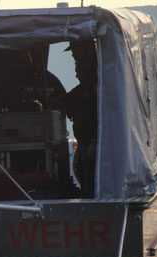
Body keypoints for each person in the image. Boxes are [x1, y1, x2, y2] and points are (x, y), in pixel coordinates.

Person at [54, 40, 98, 198]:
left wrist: (94, 139)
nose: (74, 55)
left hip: (92, 141)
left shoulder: (95, 74)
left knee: (92, 182)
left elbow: (93, 105)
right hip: (86, 140)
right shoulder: (88, 71)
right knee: (87, 179)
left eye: (75, 52)